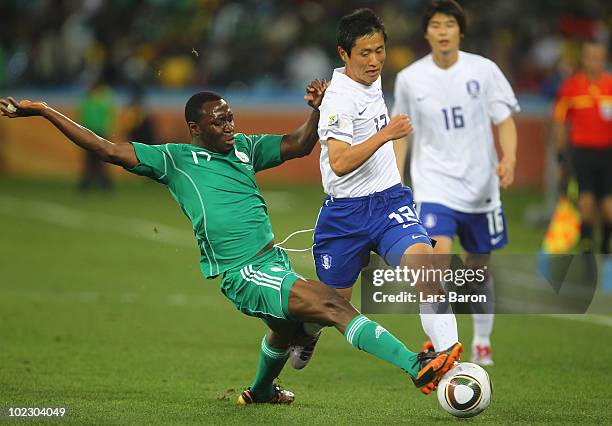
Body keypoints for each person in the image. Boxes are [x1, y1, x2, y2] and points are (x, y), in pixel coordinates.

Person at [0, 82, 460, 404]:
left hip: (270, 260)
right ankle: (416, 365)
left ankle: (260, 391)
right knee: (333, 306)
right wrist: (42, 110)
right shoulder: (174, 160)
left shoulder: (244, 148)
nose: (230, 125)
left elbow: (299, 146)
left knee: (289, 330)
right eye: (219, 121)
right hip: (244, 270)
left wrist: (316, 111)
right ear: (195, 128)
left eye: (231, 116)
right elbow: (104, 148)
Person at [290, 8, 462, 385]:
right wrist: (386, 135)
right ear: (343, 54)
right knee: (331, 305)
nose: (374, 60)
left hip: (388, 204)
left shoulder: (369, 78)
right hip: (345, 217)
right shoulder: (338, 100)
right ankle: (308, 333)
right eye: (364, 53)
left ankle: (454, 369)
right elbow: (338, 162)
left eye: (379, 50)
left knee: (429, 272)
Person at [392, 0, 520, 366]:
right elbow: (401, 132)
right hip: (434, 187)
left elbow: (505, 120)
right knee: (434, 263)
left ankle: (482, 340)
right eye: (436, 25)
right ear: (426, 32)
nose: (443, 31)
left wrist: (509, 158)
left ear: (460, 31)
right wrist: (397, 177)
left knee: (478, 270)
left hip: (481, 188)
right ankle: (442, 342)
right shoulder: (411, 78)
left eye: (450, 24)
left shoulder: (484, 70)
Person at [553, 40, 612, 258]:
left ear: (604, 59)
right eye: (590, 57)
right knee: (586, 199)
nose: (594, 62)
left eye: (599, 57)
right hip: (582, 151)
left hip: (608, 153)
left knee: (607, 203)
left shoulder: (610, 85)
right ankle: (587, 245)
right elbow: (559, 122)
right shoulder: (571, 87)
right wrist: (561, 156)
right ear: (584, 59)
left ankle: (605, 244)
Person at [78, 76, 117, 191]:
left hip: (98, 132)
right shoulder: (92, 99)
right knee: (92, 160)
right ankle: (90, 184)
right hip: (90, 131)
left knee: (100, 159)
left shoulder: (98, 99)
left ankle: (102, 184)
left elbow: (108, 116)